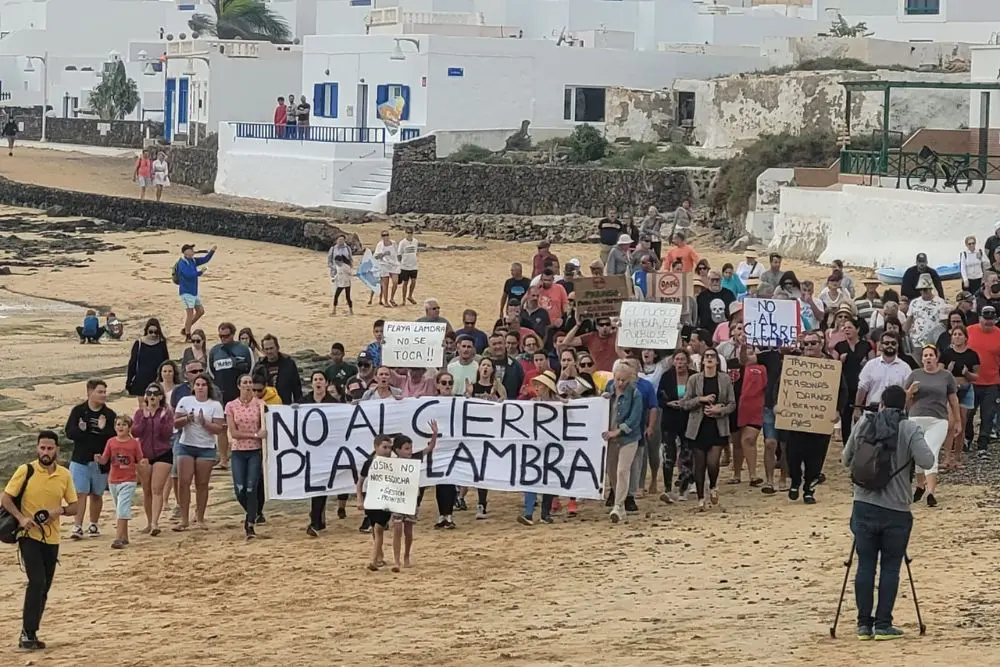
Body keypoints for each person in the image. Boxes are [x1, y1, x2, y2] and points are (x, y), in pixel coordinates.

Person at [842, 385, 934, 641]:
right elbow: (927, 461)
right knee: (891, 567)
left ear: (881, 402)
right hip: (896, 509)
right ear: (904, 405)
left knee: (865, 566)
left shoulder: (864, 424)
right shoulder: (909, 428)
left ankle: (863, 625)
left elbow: (845, 459)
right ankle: (883, 624)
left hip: (863, 505)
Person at [1, 431, 78, 651]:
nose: (45, 452)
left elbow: (75, 506)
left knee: (44, 586)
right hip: (28, 536)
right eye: (42, 448)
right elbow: (6, 498)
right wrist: (21, 518)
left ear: (57, 450)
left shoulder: (64, 474)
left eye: (50, 448)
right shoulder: (26, 470)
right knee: (36, 581)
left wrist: (59, 511)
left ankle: (32, 632)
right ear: (37, 448)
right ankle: (26, 633)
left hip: (52, 538)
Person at [678, 347, 735, 511]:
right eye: (707, 356)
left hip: (717, 426)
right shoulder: (694, 379)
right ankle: (701, 499)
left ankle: (713, 486)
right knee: (699, 464)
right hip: (698, 427)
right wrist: (700, 399)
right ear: (702, 361)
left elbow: (732, 404)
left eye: (712, 356)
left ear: (717, 361)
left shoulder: (725, 379)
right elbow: (684, 403)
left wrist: (719, 410)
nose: (709, 359)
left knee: (713, 463)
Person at [904, 345, 959, 508]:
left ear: (936, 358)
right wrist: (909, 392)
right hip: (916, 417)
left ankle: (931, 492)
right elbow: (905, 400)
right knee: (918, 453)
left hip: (938, 419)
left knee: (931, 451)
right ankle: (920, 486)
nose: (928, 358)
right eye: (925, 355)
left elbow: (953, 399)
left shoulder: (946, 376)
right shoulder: (915, 374)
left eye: (931, 355)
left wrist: (957, 420)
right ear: (922, 359)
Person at [172, 373, 225, 531]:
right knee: (184, 482)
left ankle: (200, 517)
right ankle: (184, 519)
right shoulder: (185, 401)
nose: (200, 387)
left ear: (208, 387)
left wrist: (204, 423)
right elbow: (175, 423)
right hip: (186, 444)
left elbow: (218, 429)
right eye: (198, 385)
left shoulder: (215, 405)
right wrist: (186, 419)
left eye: (203, 384)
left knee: (202, 484)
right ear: (193, 387)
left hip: (206, 447)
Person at [65, 378, 115, 539]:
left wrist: (102, 429)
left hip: (101, 461)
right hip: (80, 459)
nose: (103, 395)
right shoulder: (79, 411)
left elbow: (113, 437)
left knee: (97, 494)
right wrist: (83, 430)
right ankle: (77, 526)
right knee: (80, 493)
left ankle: (94, 524)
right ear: (89, 392)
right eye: (100, 392)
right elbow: (70, 432)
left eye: (104, 392)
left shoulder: (109, 414)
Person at [302, 371, 347, 536]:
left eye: (321, 379)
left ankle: (316, 520)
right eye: (315, 379)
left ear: (326, 383)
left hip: (329, 450)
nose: (318, 382)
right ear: (311, 383)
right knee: (316, 486)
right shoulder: (303, 401)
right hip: (310, 451)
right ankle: (316, 520)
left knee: (323, 485)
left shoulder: (333, 403)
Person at [389, 425, 438, 570]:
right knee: (397, 529)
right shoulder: (391, 463)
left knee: (408, 530)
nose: (409, 451)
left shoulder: (415, 457)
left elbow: (429, 449)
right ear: (397, 450)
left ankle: (407, 556)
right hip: (397, 499)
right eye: (406, 448)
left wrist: (434, 434)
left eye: (410, 448)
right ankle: (396, 560)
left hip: (411, 499)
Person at [225, 374, 267, 539]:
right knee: (240, 488)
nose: (248, 385)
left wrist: (257, 436)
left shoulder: (260, 404)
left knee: (251, 486)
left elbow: (266, 425)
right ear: (239, 386)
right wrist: (256, 434)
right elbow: (234, 433)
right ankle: (253, 511)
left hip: (254, 451)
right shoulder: (231, 405)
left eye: (250, 382)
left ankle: (249, 523)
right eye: (245, 382)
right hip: (238, 451)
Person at [601, 360, 643, 522]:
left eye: (623, 380)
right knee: (612, 472)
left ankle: (618, 505)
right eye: (617, 379)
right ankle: (620, 502)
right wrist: (604, 398)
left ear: (630, 379)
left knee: (622, 470)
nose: (620, 383)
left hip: (628, 438)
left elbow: (635, 418)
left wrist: (618, 431)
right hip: (609, 438)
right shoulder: (609, 388)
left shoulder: (635, 393)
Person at [94, 415, 145, 549]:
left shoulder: (134, 443)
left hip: (129, 480)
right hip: (113, 480)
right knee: (119, 507)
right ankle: (125, 536)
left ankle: (118, 539)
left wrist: (143, 462)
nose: (120, 427)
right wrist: (99, 459)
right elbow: (105, 459)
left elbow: (139, 458)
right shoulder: (111, 442)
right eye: (118, 424)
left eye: (123, 424)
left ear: (129, 427)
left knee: (122, 508)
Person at [132, 382, 173, 536]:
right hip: (144, 455)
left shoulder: (167, 413)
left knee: (157, 489)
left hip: (163, 454)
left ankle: (155, 522)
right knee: (147, 490)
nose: (152, 396)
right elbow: (136, 432)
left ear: (161, 396)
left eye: (155, 394)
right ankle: (149, 522)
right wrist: (144, 417)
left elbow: (167, 435)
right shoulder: (139, 413)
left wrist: (161, 419)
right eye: (149, 394)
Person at [519, 372, 561, 525]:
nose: (536, 388)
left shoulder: (559, 404)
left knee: (548, 479)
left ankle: (545, 513)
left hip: (552, 445)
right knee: (531, 477)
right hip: (534, 446)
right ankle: (529, 513)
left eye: (540, 385)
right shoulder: (532, 402)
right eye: (536, 385)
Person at [658, 349, 695, 503]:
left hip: (688, 419)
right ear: (673, 361)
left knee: (687, 455)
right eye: (677, 360)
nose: (679, 363)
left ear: (687, 361)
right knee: (669, 455)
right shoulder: (666, 376)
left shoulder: (694, 376)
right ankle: (667, 489)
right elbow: (659, 397)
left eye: (682, 359)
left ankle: (683, 489)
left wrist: (687, 404)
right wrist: (668, 403)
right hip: (670, 418)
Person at [941, 325, 978, 469]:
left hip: (966, 389)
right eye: (955, 334)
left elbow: (976, 375)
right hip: (950, 390)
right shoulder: (946, 354)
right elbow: (940, 372)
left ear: (965, 338)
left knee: (961, 424)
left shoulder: (972, 354)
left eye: (960, 334)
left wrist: (967, 373)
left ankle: (957, 457)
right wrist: (947, 371)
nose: (957, 336)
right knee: (950, 424)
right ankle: (946, 458)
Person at [965, 305, 1000, 457]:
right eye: (986, 318)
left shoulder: (999, 334)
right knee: (968, 413)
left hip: (991, 381)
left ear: (996, 319)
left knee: (988, 415)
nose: (988, 321)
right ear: (980, 317)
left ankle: (983, 445)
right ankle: (967, 438)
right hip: (971, 381)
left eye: (991, 318)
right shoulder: (969, 331)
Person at [854, 331, 912, 418]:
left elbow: (908, 393)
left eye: (893, 343)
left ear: (897, 345)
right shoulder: (871, 365)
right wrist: (857, 409)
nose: (890, 345)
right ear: (881, 346)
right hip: (872, 413)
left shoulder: (905, 367)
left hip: (896, 414)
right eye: (887, 343)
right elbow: (862, 389)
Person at [357, 434, 393, 571]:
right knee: (374, 528)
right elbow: (360, 482)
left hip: (386, 499)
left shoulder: (394, 464)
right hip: (371, 498)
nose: (388, 450)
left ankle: (373, 560)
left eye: (390, 448)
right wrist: (359, 499)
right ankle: (380, 556)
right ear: (376, 447)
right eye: (384, 447)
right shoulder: (369, 463)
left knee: (379, 528)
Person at [175, 243, 216, 341]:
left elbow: (205, 259)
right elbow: (188, 274)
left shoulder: (193, 260)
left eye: (192, 250)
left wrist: (212, 251)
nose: (193, 252)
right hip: (186, 292)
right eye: (190, 250)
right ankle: (188, 335)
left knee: (200, 311)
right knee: (190, 314)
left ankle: (185, 329)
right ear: (185, 252)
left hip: (193, 292)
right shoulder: (182, 263)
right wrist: (200, 273)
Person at [253, 334, 303, 405]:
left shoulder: (289, 363)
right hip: (264, 405)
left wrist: (298, 404)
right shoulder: (259, 365)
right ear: (263, 350)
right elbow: (253, 387)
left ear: (277, 347)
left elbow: (297, 387)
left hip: (285, 405)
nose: (269, 351)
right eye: (266, 349)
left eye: (271, 348)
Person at [125, 318, 169, 397]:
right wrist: (128, 381)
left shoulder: (162, 343)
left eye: (156, 332)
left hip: (157, 380)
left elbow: (166, 362)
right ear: (146, 331)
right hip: (141, 380)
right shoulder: (139, 343)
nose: (153, 334)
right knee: (143, 405)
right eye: (151, 332)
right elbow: (132, 363)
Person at [696, 271, 736, 336]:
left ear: (721, 280)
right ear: (708, 280)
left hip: (725, 333)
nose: (715, 282)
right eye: (712, 280)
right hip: (706, 334)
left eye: (717, 280)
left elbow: (735, 315)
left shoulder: (729, 294)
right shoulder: (701, 296)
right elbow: (697, 316)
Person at [374, 230, 400, 307]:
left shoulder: (394, 243)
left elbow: (397, 253)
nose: (385, 237)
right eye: (384, 235)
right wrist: (383, 254)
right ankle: (385, 301)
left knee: (395, 282)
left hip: (393, 264)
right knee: (385, 284)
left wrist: (399, 261)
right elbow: (376, 256)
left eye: (387, 235)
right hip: (383, 264)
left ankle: (391, 298)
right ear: (381, 237)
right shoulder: (380, 245)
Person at [397, 226, 419, 305]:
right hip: (405, 265)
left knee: (413, 281)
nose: (409, 235)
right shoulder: (402, 243)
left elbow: (415, 251)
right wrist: (400, 264)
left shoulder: (415, 241)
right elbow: (399, 254)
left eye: (411, 233)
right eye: (408, 233)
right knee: (405, 283)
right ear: (405, 233)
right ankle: (403, 300)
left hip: (414, 265)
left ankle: (410, 296)